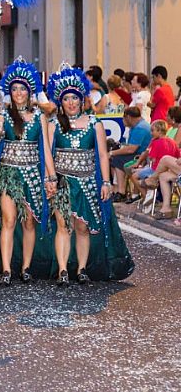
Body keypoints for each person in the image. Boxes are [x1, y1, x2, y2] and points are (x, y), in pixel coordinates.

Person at [47, 63, 134, 284]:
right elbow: (47, 152)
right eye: (66, 99)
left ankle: (82, 269)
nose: (71, 103)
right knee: (63, 225)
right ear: (61, 101)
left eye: (75, 98)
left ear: (82, 99)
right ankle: (63, 270)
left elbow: (103, 155)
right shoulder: (54, 123)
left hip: (86, 182)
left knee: (82, 227)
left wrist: (106, 182)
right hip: (63, 182)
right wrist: (51, 178)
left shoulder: (94, 123)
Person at [0, 57, 57, 285]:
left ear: (31, 92)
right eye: (15, 88)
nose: (19, 92)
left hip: (31, 175)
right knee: (8, 220)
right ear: (10, 91)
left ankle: (26, 267)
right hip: (8, 174)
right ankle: (7, 269)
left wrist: (51, 177)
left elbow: (46, 150)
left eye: (23, 89)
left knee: (29, 222)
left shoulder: (40, 117)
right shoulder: (3, 114)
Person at [128, 120, 179, 213]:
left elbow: (152, 159)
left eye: (153, 131)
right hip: (169, 170)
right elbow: (177, 156)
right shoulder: (172, 142)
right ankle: (150, 196)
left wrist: (141, 166)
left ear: (159, 131)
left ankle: (147, 196)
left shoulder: (156, 142)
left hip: (155, 169)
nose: (151, 133)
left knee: (134, 175)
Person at [109, 107, 151, 203]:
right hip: (139, 154)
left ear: (128, 117)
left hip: (142, 157)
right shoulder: (137, 126)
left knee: (116, 158)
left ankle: (121, 191)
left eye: (124, 118)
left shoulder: (140, 128)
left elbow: (131, 149)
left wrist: (111, 152)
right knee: (115, 158)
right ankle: (119, 190)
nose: (123, 121)